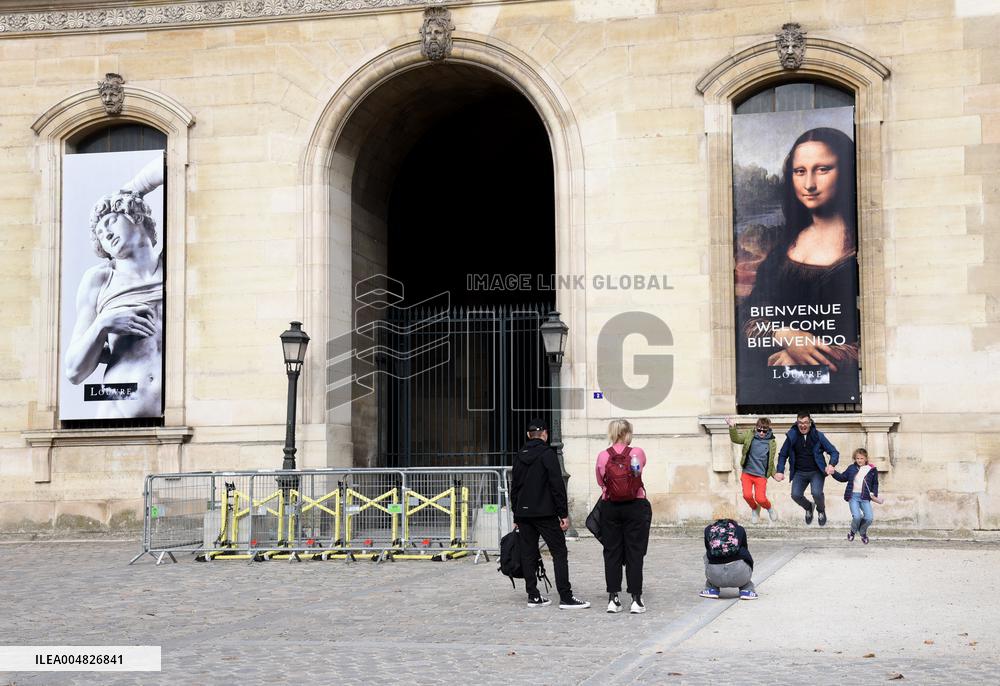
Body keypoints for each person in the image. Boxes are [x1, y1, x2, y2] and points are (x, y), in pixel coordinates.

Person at [738, 127, 860, 401]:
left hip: (836, 392)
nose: (810, 184)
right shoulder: (782, 250)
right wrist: (785, 335)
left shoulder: (859, 253)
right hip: (767, 393)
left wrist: (805, 356)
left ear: (846, 172)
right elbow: (746, 319)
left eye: (823, 169)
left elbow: (873, 343)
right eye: (800, 171)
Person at [64, 157, 164, 419]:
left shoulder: (175, 265)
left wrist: (132, 190)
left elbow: (172, 163)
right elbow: (74, 371)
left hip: (177, 417)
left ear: (136, 215)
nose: (105, 234)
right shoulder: (100, 280)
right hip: (117, 413)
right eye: (99, 233)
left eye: (110, 222)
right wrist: (103, 324)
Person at [510, 418, 589, 610]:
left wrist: (516, 515)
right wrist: (563, 513)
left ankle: (533, 596)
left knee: (528, 553)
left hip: (524, 514)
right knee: (559, 552)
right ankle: (565, 596)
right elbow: (557, 485)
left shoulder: (520, 455)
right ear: (544, 434)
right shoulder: (547, 454)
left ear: (529, 435)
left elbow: (515, 488)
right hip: (545, 513)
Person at [595, 419, 652, 615]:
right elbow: (639, 471)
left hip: (610, 506)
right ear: (628, 433)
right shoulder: (637, 453)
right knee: (635, 551)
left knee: (612, 552)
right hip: (635, 504)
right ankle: (636, 599)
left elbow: (600, 481)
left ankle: (613, 598)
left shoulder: (603, 456)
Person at [774, 412, 840, 525]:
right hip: (800, 472)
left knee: (817, 493)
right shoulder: (792, 436)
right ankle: (809, 507)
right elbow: (783, 454)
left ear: (810, 423)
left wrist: (831, 464)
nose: (803, 425)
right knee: (795, 495)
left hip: (816, 472)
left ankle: (821, 510)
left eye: (805, 423)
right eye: (800, 423)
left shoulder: (818, 436)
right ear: (797, 423)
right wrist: (780, 471)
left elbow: (833, 452)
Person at [725, 416, 777, 523]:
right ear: (756, 427)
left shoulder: (771, 442)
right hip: (747, 473)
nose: (761, 433)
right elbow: (736, 439)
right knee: (747, 495)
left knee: (761, 498)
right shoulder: (750, 435)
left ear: (768, 430)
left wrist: (774, 474)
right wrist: (732, 427)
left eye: (764, 431)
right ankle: (755, 509)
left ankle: (769, 508)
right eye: (759, 430)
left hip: (761, 476)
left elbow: (770, 460)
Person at [830, 448, 883, 544]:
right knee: (857, 517)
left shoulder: (872, 470)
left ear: (866, 458)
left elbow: (875, 483)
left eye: (861, 458)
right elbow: (842, 478)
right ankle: (852, 532)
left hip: (865, 497)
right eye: (857, 458)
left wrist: (874, 493)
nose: (859, 460)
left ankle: (862, 532)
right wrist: (834, 473)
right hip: (853, 496)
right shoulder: (851, 468)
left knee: (869, 518)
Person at [700, 515, 757, 600]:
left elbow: (708, 549)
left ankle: (711, 588)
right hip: (739, 575)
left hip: (715, 576)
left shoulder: (708, 529)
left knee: (707, 555)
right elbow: (745, 549)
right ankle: (747, 589)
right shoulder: (739, 529)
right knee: (744, 554)